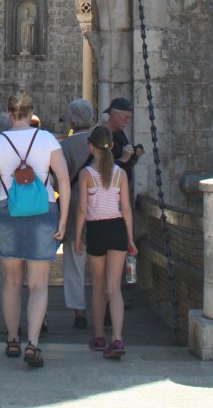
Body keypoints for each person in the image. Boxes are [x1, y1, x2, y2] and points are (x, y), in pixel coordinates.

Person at [0, 89, 70, 370]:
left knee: (11, 282)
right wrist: (63, 220)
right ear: (31, 113)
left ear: (9, 113)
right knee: (39, 284)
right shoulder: (47, 139)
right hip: (43, 213)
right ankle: (33, 343)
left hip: (6, 212)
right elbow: (64, 181)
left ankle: (12, 339)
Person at [75, 124, 136, 360]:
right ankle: (117, 339)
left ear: (91, 146)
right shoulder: (121, 174)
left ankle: (99, 336)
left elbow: (82, 210)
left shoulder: (87, 174)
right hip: (118, 228)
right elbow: (126, 209)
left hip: (97, 230)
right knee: (114, 287)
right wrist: (130, 238)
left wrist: (78, 236)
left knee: (98, 286)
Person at [59, 98, 94, 330]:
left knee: (74, 262)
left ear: (71, 120)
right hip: (100, 209)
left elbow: (59, 180)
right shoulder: (102, 143)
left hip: (73, 208)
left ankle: (79, 311)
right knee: (100, 263)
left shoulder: (65, 147)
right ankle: (105, 306)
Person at [103, 97, 144, 183]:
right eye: (126, 117)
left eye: (129, 118)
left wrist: (134, 155)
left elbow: (124, 160)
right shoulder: (102, 135)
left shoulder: (119, 132)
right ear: (115, 115)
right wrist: (123, 159)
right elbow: (101, 169)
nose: (128, 121)